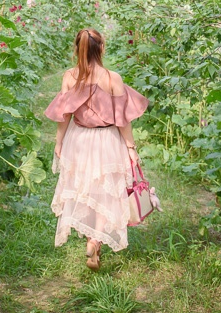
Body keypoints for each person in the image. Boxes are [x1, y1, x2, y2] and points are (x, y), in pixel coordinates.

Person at [45, 28, 148, 270]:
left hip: (78, 139)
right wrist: (131, 147)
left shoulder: (70, 77)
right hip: (107, 140)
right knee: (105, 192)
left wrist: (59, 142)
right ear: (101, 48)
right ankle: (95, 239)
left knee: (85, 188)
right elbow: (123, 120)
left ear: (77, 48)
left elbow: (65, 116)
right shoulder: (113, 78)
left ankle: (93, 240)